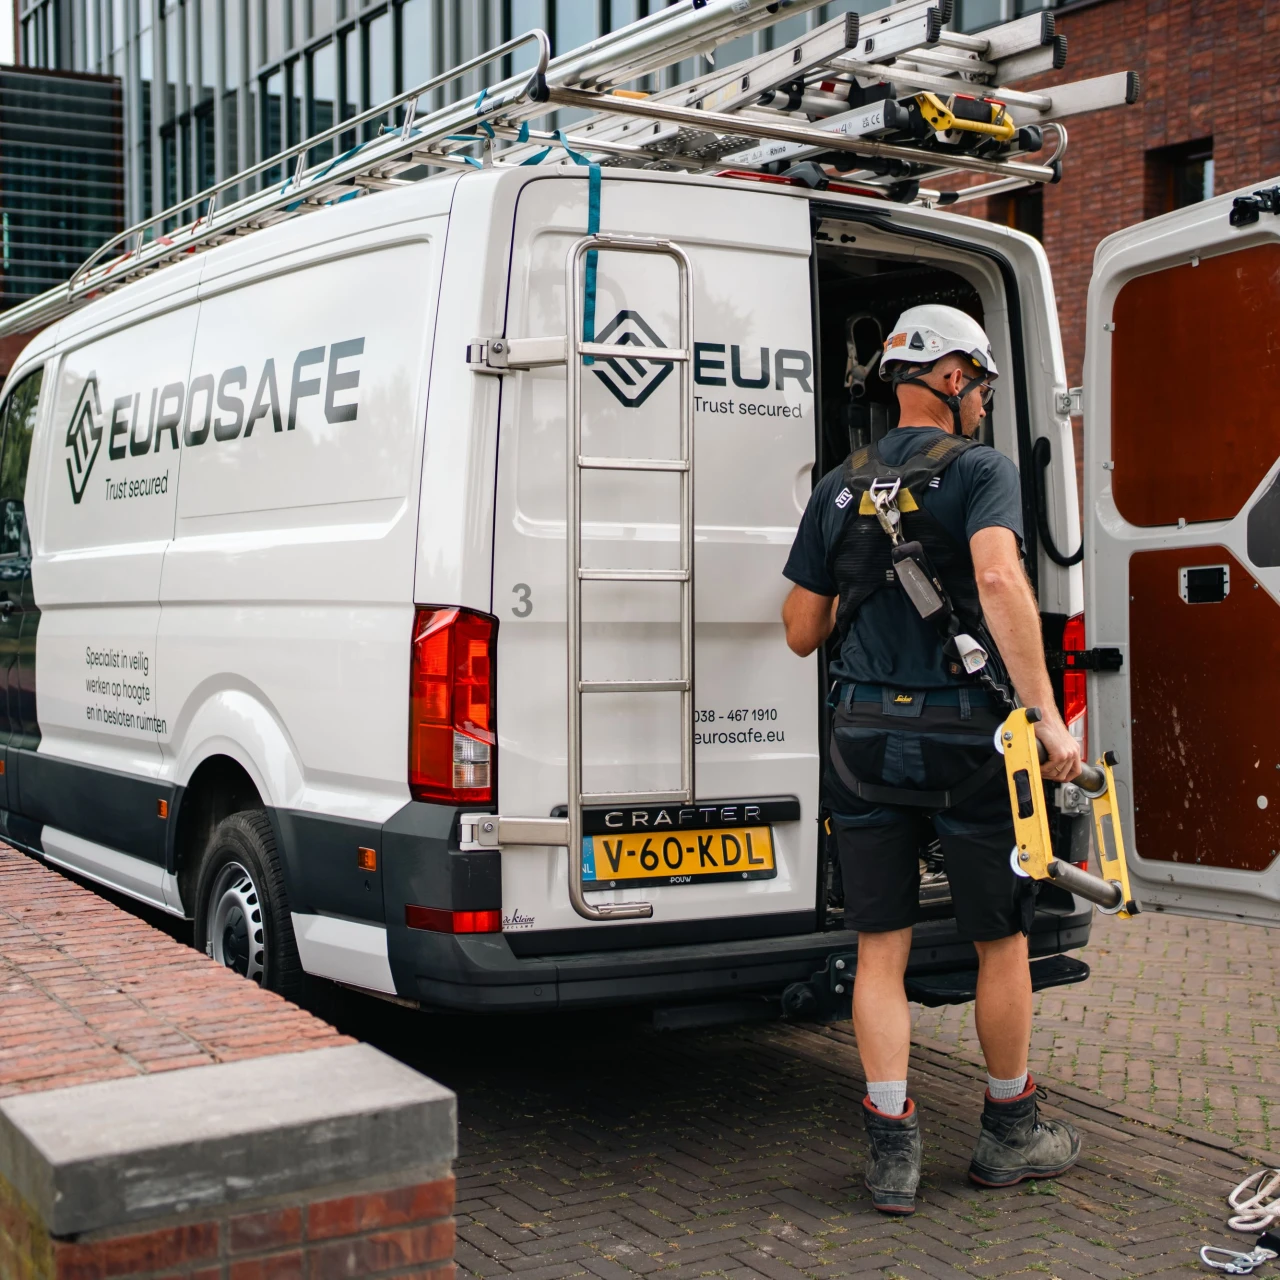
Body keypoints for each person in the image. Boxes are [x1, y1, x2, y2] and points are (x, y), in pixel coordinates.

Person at [780, 304, 1083, 1216]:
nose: (986, 401)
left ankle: (891, 1152)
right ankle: (1009, 1133)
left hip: (864, 738)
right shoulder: (981, 471)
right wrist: (1048, 719)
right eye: (982, 383)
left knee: (881, 946)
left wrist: (863, 582)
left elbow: (800, 632)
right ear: (951, 378)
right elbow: (997, 578)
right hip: (967, 741)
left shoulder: (838, 485)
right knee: (1000, 938)